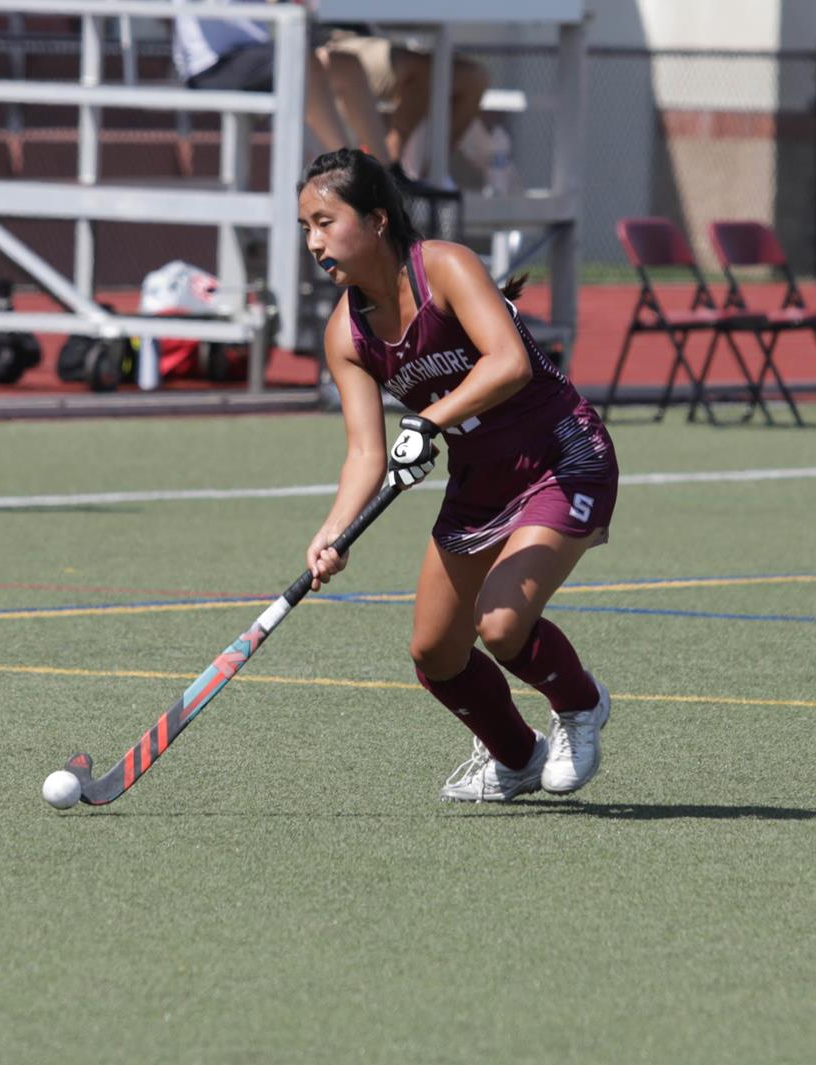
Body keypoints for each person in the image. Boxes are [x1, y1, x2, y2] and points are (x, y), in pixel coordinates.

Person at [296, 149, 618, 802]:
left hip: (561, 458)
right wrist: (334, 533)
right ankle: (517, 756)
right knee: (436, 653)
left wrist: (431, 420)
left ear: (378, 219)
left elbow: (509, 363)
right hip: (480, 484)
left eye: (325, 222)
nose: (314, 242)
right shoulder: (346, 335)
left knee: (500, 623)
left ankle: (580, 705)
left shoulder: (444, 267)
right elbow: (365, 452)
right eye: (306, 227)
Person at [172, 0, 400, 170]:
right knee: (301, 61)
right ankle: (348, 174)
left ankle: (387, 176)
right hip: (211, 66)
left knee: (345, 64)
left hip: (255, 52)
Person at [317, 27, 490, 181]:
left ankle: (419, 180)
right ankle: (388, 169)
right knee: (425, 70)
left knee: (472, 77)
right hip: (333, 39)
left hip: (378, 36)